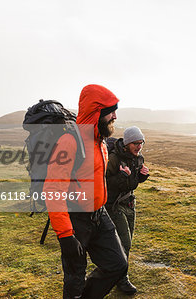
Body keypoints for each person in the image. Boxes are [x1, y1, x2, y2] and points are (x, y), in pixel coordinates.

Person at [43, 84, 128, 299]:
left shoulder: (100, 141)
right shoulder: (69, 142)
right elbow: (53, 189)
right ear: (96, 112)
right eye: (111, 111)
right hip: (76, 220)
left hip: (99, 214)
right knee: (74, 281)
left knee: (118, 265)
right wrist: (65, 235)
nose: (115, 116)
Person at [106, 126, 150, 295]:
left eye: (141, 143)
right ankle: (121, 279)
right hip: (114, 206)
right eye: (135, 143)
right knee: (124, 243)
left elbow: (132, 183)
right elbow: (103, 182)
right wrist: (121, 176)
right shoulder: (114, 159)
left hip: (130, 203)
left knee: (127, 243)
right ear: (127, 143)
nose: (139, 147)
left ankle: (118, 274)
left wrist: (141, 177)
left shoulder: (138, 158)